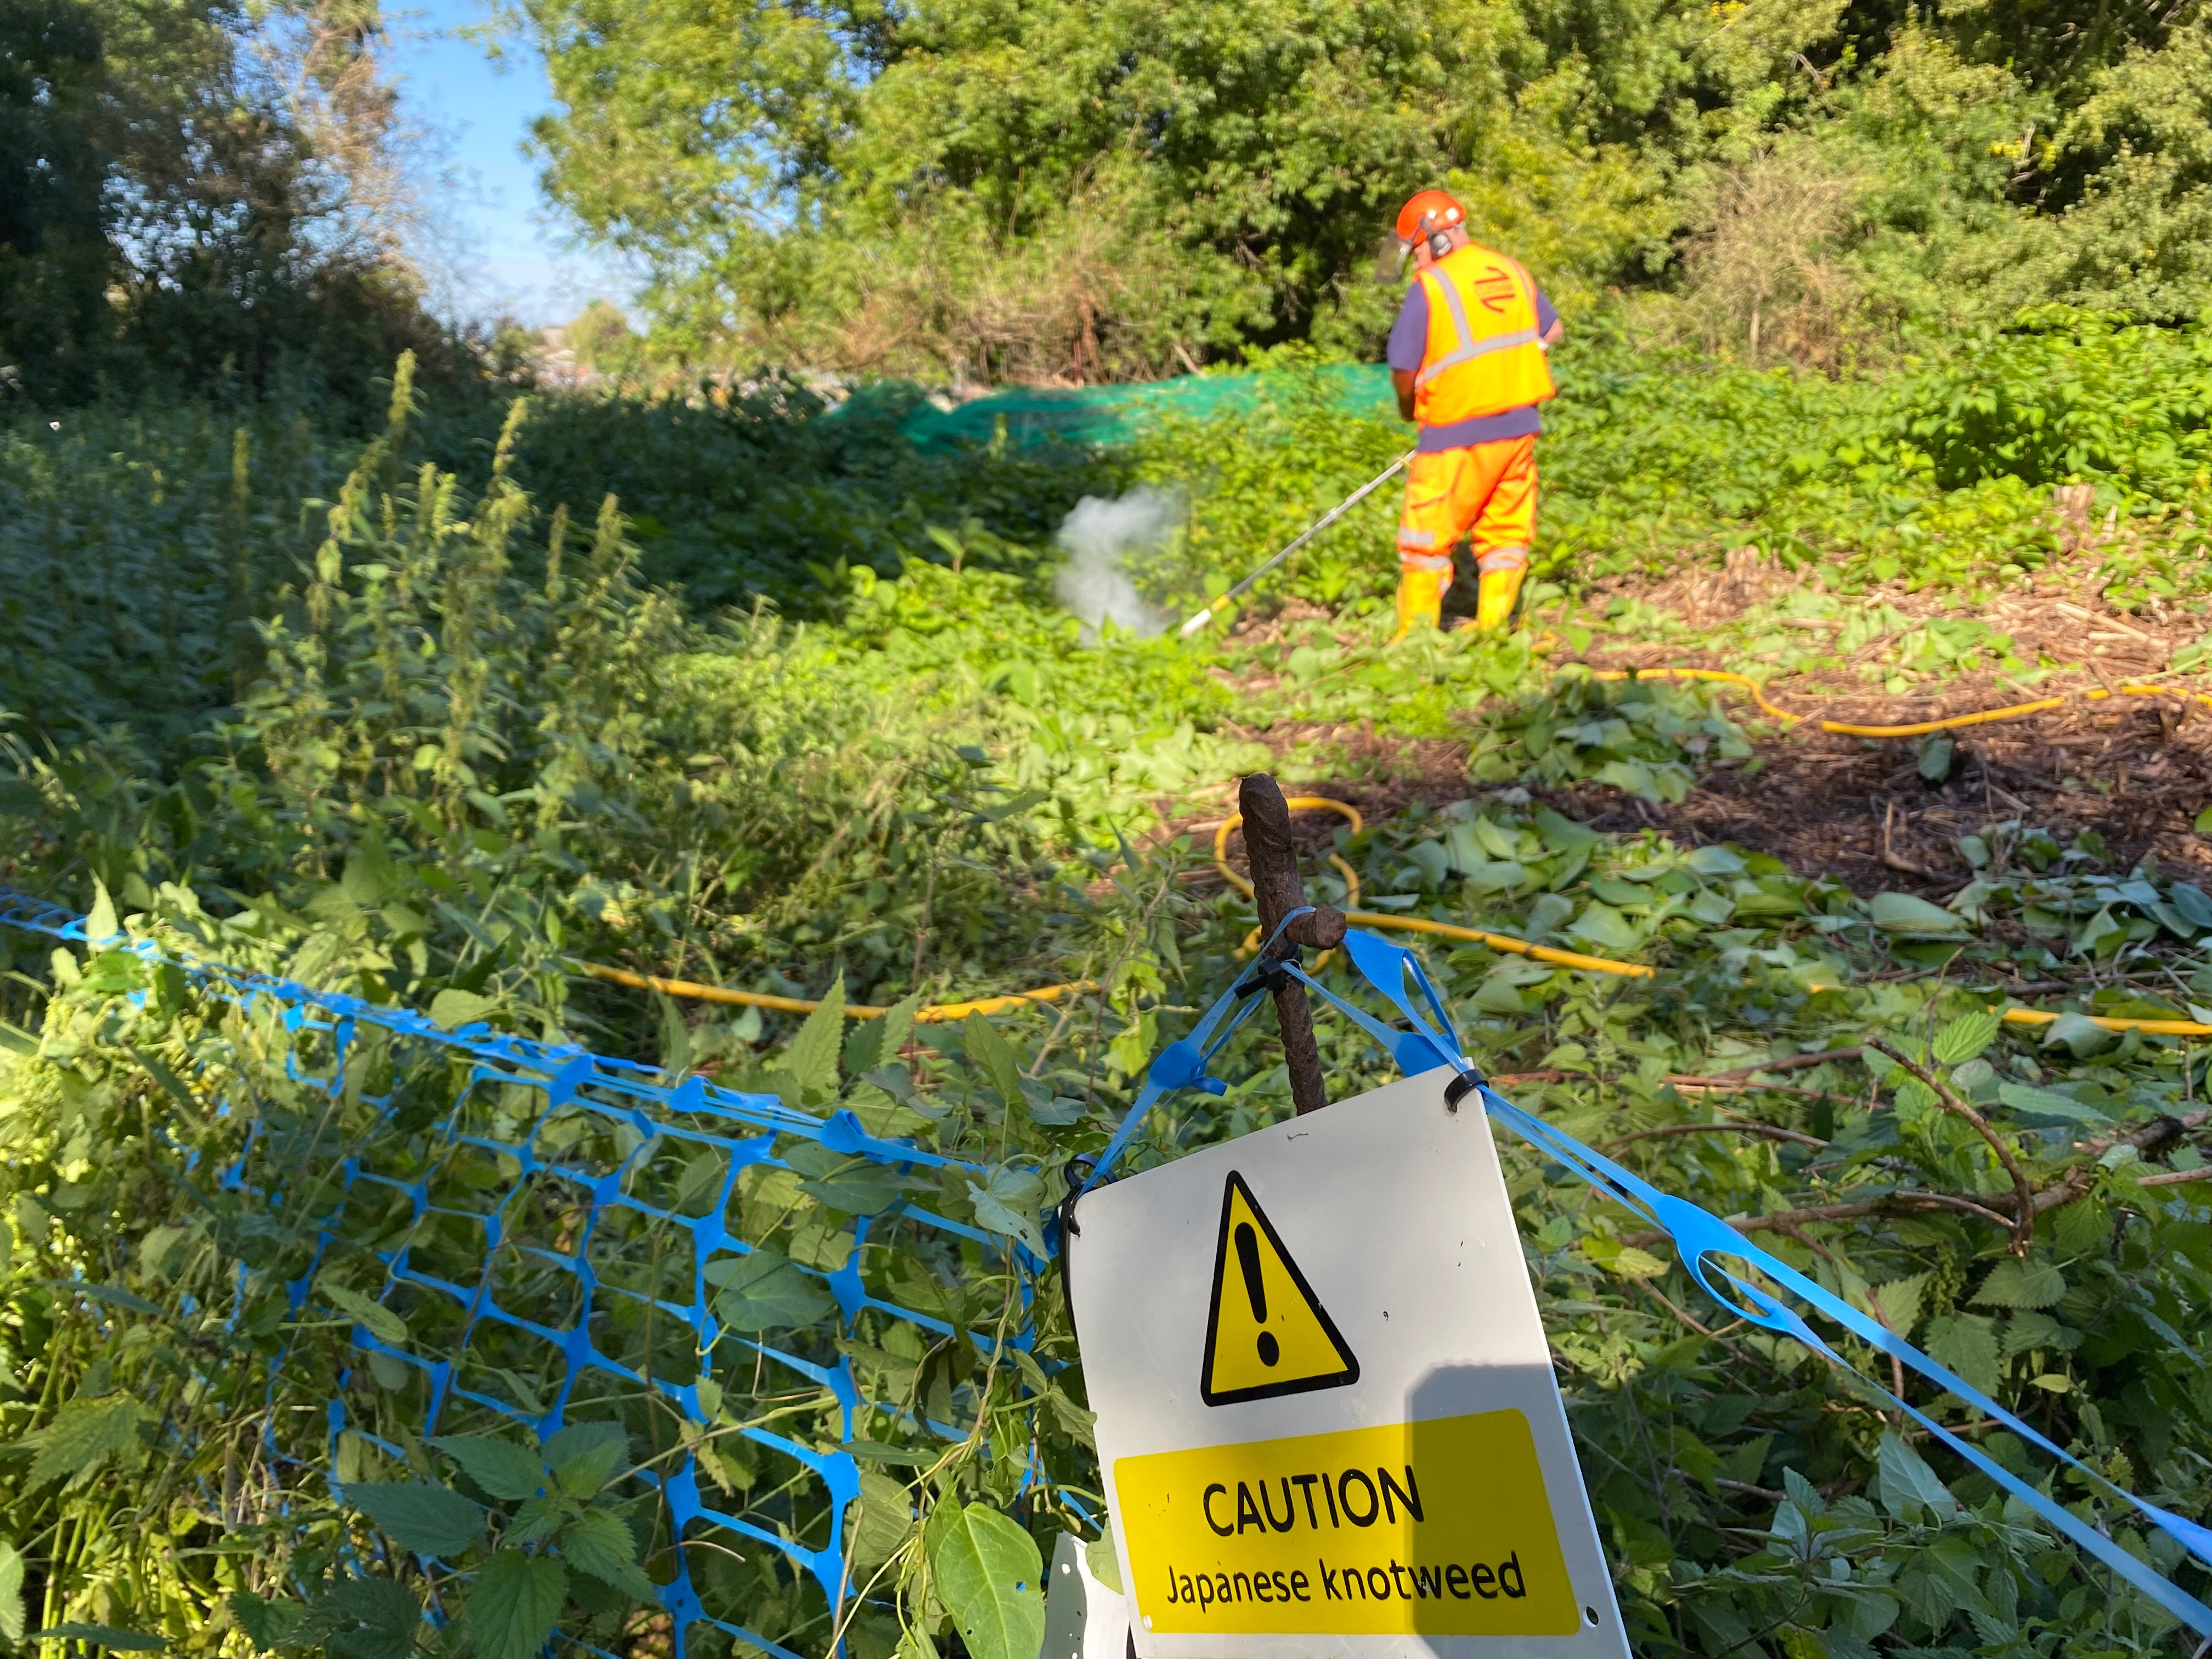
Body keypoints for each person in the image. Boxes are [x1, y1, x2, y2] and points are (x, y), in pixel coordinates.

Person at [1384, 190, 1563, 640]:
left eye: (1418, 254)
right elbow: (1553, 329)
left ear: (1434, 241)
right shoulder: (1511, 269)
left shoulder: (1433, 286)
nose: (1418, 265)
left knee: (1425, 540)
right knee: (1505, 535)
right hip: (1520, 430)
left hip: (1455, 434)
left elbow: (1404, 365)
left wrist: (1410, 409)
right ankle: (1492, 633)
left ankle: (1413, 643)